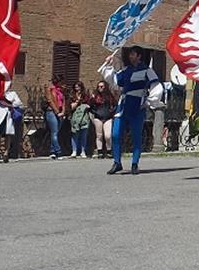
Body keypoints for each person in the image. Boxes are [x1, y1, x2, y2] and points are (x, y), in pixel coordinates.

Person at [100, 46, 160, 175]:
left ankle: (134, 163)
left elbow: (157, 86)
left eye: (133, 54)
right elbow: (114, 81)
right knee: (115, 134)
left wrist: (148, 102)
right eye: (130, 54)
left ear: (139, 56)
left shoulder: (147, 71)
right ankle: (117, 162)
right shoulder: (126, 70)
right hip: (123, 105)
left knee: (136, 136)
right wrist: (109, 65)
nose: (130, 56)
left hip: (137, 106)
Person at [0, 90, 23, 164]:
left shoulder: (13, 93)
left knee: (8, 135)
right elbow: (0, 100)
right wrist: (11, 103)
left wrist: (10, 104)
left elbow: (19, 103)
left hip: (8, 117)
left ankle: (6, 153)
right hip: (0, 117)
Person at [89, 81, 115, 158]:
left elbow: (115, 105)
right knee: (99, 135)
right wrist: (92, 100)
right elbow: (90, 106)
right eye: (99, 86)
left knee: (108, 135)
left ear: (105, 87)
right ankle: (100, 151)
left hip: (108, 117)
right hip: (98, 117)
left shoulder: (110, 96)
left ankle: (109, 151)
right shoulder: (95, 97)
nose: (100, 88)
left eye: (102, 86)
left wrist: (111, 112)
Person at [44, 78, 65, 160]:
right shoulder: (49, 89)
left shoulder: (60, 91)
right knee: (54, 132)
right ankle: (58, 151)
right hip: (52, 112)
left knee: (56, 132)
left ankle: (52, 151)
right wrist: (57, 112)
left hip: (60, 113)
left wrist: (63, 111)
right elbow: (50, 101)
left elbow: (63, 102)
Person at [68, 82, 91, 158]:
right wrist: (77, 101)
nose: (77, 89)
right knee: (75, 133)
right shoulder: (72, 96)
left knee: (84, 134)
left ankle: (83, 151)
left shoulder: (86, 95)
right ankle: (74, 151)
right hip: (75, 116)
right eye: (75, 87)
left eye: (78, 87)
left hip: (84, 116)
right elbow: (71, 107)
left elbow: (89, 105)